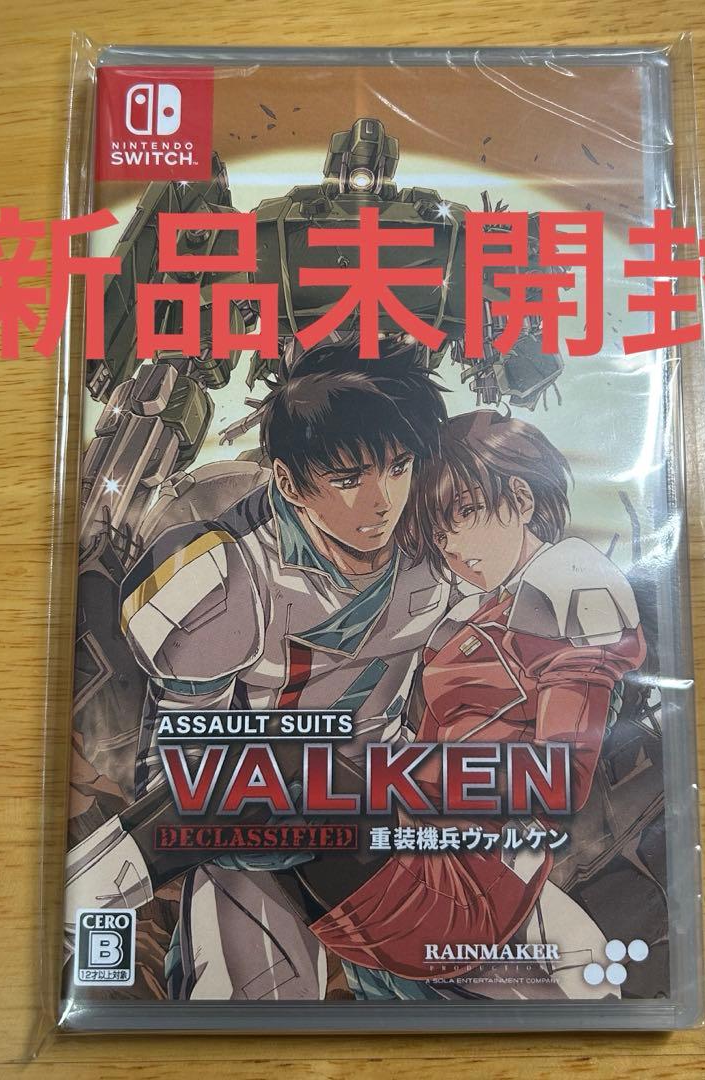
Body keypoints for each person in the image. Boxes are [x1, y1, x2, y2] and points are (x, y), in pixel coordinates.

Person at [66, 349, 452, 1000]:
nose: (382, 500)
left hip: (383, 828)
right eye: (348, 477)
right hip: (247, 845)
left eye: (398, 466)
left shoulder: (438, 548)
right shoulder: (225, 577)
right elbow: (188, 773)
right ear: (291, 483)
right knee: (254, 1003)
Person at [310, 410, 647, 1000]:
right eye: (439, 534)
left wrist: (400, 780)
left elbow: (555, 778)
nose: (453, 548)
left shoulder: (570, 583)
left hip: (470, 881)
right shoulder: (464, 620)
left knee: (278, 771)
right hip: (411, 851)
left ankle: (130, 871)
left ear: (520, 498)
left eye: (463, 513)